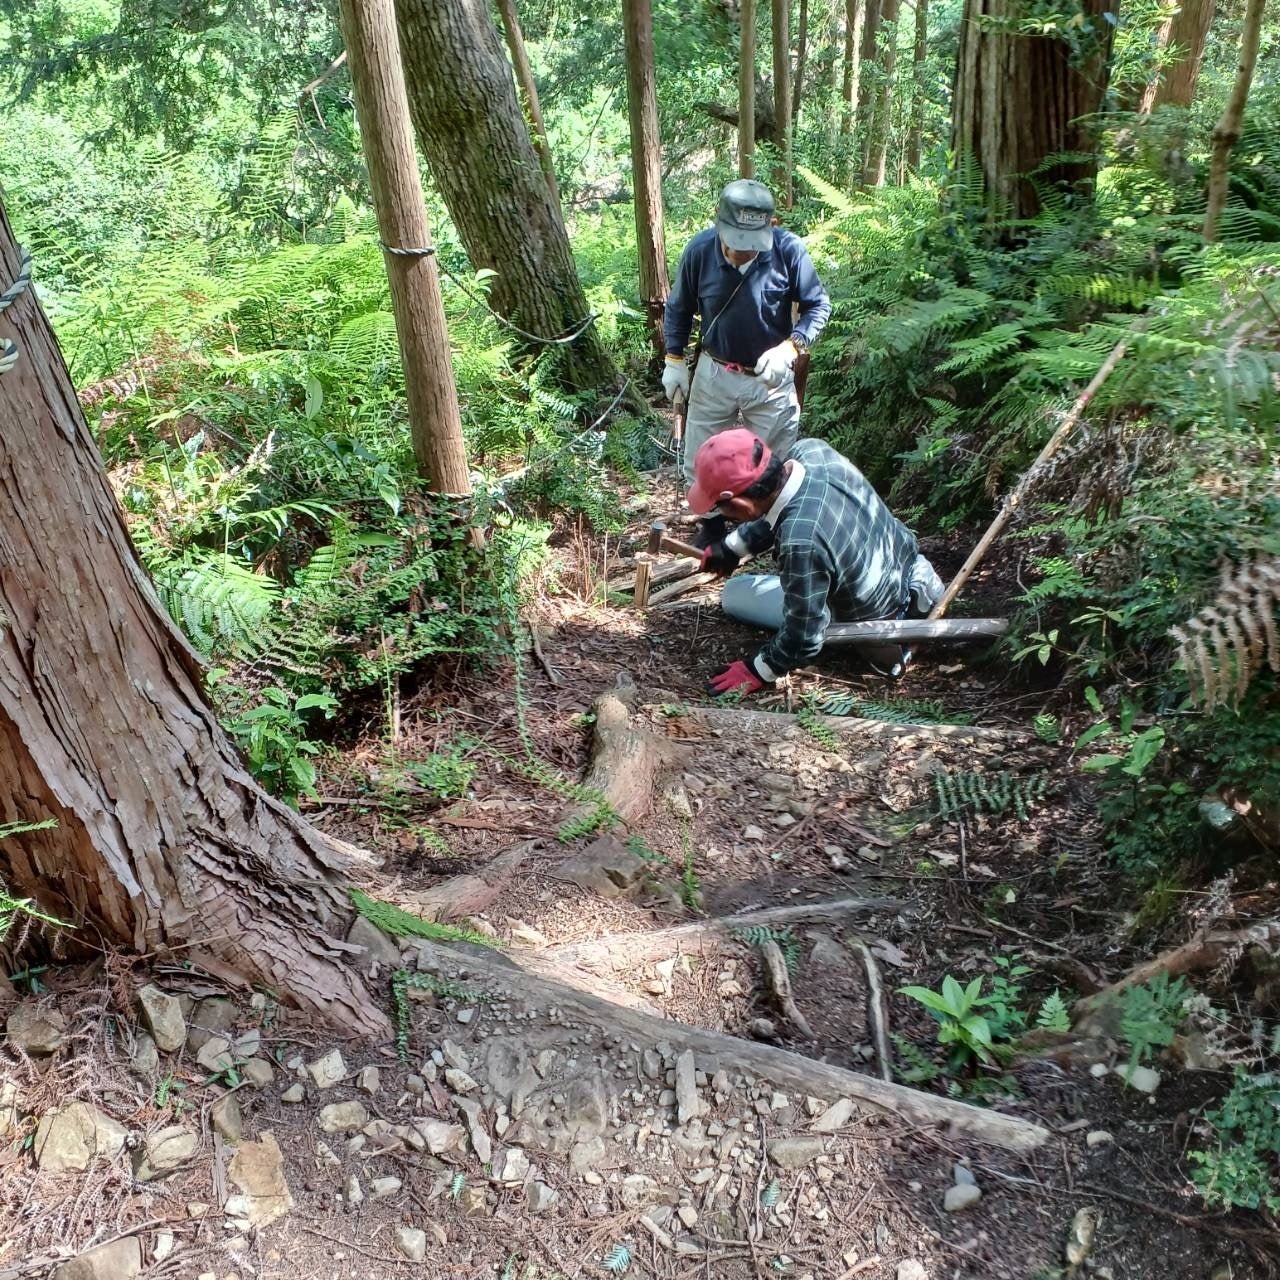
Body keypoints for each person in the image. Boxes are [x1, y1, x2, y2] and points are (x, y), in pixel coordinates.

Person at [686, 428, 944, 693]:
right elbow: (779, 508)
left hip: (875, 619)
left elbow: (804, 634)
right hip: (906, 568)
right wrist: (732, 548)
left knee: (734, 594)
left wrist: (759, 669)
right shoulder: (812, 451)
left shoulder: (801, 541)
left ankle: (881, 642)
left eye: (719, 508)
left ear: (739, 503)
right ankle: (918, 597)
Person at [662, 179, 831, 544]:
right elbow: (678, 308)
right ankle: (711, 526)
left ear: (771, 227)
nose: (740, 252)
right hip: (715, 370)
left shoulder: (788, 251)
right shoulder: (699, 251)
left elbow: (818, 306)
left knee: (771, 460)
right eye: (734, 242)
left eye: (750, 244)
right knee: (702, 452)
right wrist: (673, 358)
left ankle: (763, 530)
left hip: (770, 375)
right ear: (718, 224)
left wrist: (791, 347)